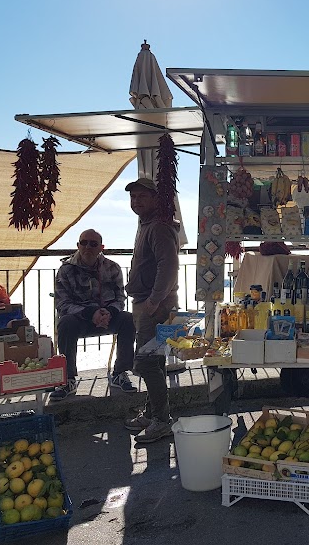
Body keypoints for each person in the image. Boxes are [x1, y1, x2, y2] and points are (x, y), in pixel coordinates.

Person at [123, 178, 180, 444]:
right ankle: (153, 413)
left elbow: (167, 266)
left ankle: (161, 421)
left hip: (155, 306)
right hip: (148, 302)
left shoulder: (157, 227)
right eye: (133, 197)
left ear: (156, 200)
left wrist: (154, 300)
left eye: (142, 197)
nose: (136, 202)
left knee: (145, 362)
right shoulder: (145, 225)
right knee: (154, 361)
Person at [53, 229, 137, 400]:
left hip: (107, 317)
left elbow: (120, 298)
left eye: (93, 244)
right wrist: (90, 313)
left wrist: (110, 312)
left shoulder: (112, 268)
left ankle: (120, 372)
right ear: (77, 245)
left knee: (128, 319)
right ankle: (68, 379)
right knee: (65, 323)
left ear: (101, 247)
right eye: (83, 243)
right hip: (80, 319)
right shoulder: (65, 270)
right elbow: (62, 304)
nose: (88, 247)